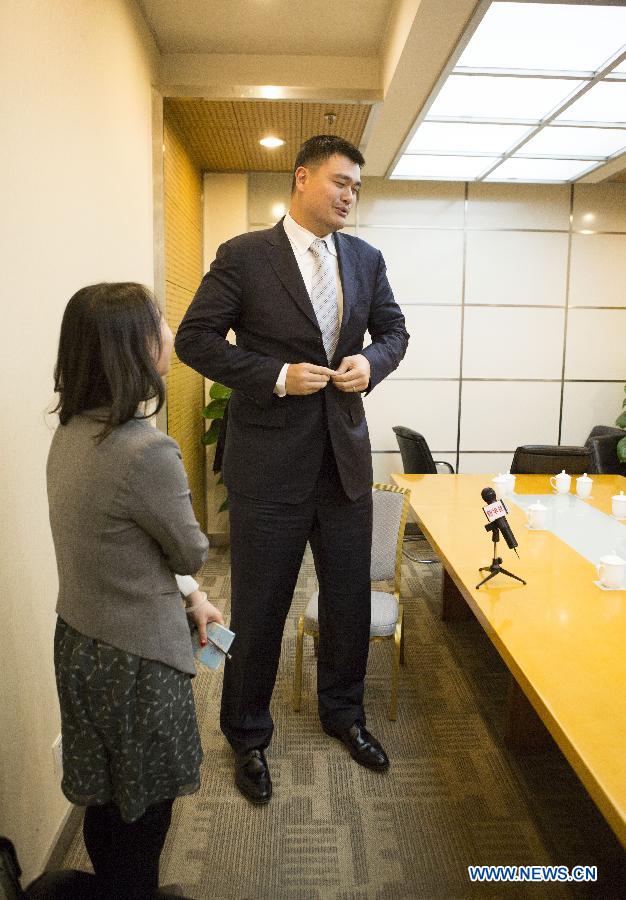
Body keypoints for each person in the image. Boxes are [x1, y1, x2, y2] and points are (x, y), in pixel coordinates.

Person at [175, 135, 409, 804]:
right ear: (302, 178)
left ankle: (345, 714)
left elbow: (395, 330)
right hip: (268, 468)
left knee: (347, 602)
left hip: (343, 464)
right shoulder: (245, 256)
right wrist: (275, 375)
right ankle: (247, 734)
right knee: (260, 606)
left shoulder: (366, 259)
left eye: (356, 187)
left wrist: (375, 362)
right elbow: (195, 339)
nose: (348, 195)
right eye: (339, 181)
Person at [47, 282, 223, 899]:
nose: (171, 336)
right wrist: (195, 584)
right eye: (160, 326)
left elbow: (119, 550)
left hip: (80, 644)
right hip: (136, 663)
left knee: (106, 800)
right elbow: (191, 549)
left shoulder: (70, 433)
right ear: (130, 348)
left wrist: (191, 597)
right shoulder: (147, 449)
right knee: (146, 814)